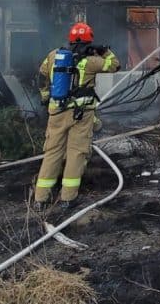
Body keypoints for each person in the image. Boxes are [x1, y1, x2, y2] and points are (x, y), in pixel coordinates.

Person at [33, 22, 120, 209]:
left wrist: (46, 97)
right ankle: (68, 198)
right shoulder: (90, 61)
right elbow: (115, 65)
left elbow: (41, 76)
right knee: (76, 153)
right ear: (89, 40)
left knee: (52, 152)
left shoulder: (54, 55)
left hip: (56, 112)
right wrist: (104, 51)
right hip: (81, 115)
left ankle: (40, 198)